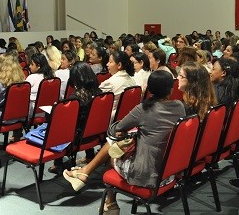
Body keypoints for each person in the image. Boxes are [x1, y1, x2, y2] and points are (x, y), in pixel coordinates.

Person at [63, 70, 186, 214]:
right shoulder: (179, 106)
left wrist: (125, 131)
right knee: (116, 144)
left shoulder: (144, 109)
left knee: (113, 150)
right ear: (171, 89)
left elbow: (115, 128)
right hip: (169, 172)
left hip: (146, 176)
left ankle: (110, 202)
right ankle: (86, 174)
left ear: (149, 89)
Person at [49, 62, 101, 173]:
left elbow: (66, 120)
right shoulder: (99, 93)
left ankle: (57, 164)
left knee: (58, 126)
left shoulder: (75, 98)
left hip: (77, 138)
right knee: (84, 122)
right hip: (94, 134)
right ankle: (89, 155)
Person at [99, 51, 136, 120]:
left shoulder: (109, 83)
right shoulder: (133, 81)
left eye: (110, 62)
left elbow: (95, 102)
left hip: (110, 120)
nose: (107, 64)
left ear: (119, 65)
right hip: (129, 118)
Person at [26, 53, 54, 119]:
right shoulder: (52, 78)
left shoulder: (32, 77)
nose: (29, 66)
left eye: (32, 64)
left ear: (38, 66)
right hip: (47, 110)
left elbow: (22, 94)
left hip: (33, 111)